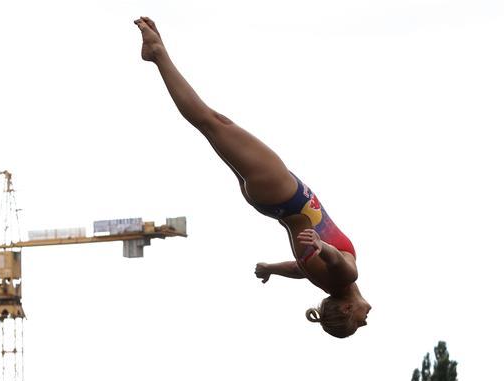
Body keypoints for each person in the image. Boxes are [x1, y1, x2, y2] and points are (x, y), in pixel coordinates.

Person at [134, 17, 371, 338]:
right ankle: (158, 53)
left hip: (286, 195)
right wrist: (271, 269)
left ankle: (158, 54)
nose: (366, 319)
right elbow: (300, 270)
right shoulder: (323, 280)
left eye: (358, 322)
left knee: (211, 122)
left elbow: (342, 265)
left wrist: (322, 245)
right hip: (271, 200)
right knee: (214, 126)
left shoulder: (342, 277)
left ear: (345, 308)